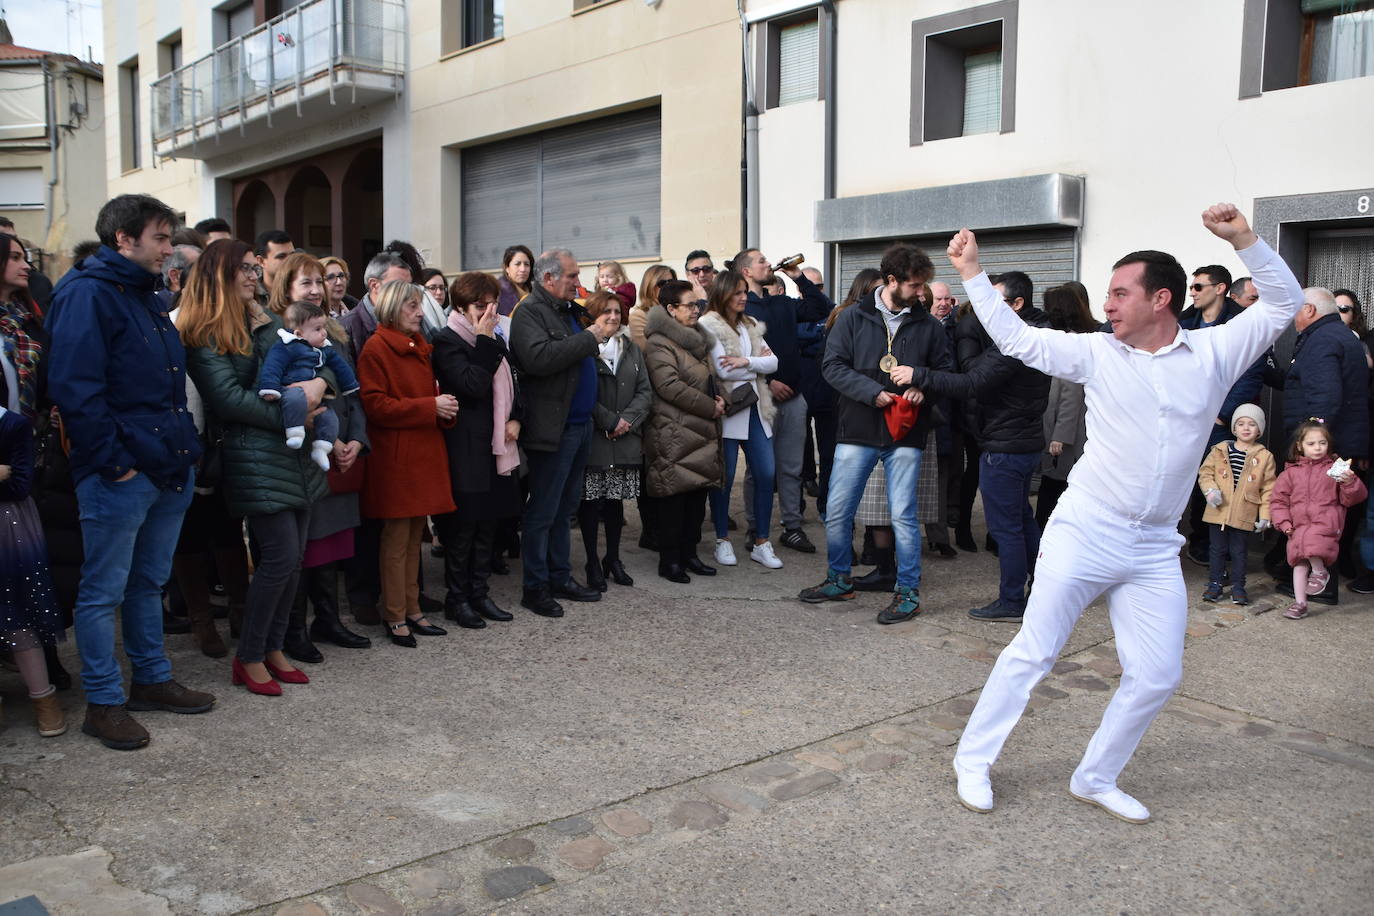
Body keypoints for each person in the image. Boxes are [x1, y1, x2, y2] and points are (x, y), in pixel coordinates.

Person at [948, 202, 1303, 825]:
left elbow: (1281, 303)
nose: (1107, 304)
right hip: (1086, 528)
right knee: (1035, 651)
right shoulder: (1098, 354)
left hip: (1153, 548)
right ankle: (973, 761)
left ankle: (1094, 776)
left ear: (1161, 299)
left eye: (1119, 293)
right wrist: (973, 272)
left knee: (1158, 674)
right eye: (1107, 293)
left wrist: (1244, 239)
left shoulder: (1216, 351)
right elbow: (1017, 338)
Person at [48, 194, 215, 748]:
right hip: (121, 474)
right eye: (162, 237)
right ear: (124, 238)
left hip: (167, 466)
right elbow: (76, 390)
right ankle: (103, 702)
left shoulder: (146, 294)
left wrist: (182, 451)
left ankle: (151, 679)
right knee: (103, 592)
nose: (170, 248)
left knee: (148, 583)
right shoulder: (85, 294)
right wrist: (115, 464)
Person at [180, 239, 328, 696]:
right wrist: (294, 413)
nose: (252, 274)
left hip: (292, 449)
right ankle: (248, 656)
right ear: (218, 275)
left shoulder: (263, 318)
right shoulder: (204, 331)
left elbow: (303, 357)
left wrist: (320, 383)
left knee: (294, 557)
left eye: (252, 267)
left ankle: (273, 647)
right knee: (279, 555)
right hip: (253, 453)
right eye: (242, 268)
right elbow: (226, 399)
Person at [798, 244, 950, 622]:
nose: (921, 293)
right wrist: (872, 393)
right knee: (837, 512)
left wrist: (923, 386)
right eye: (915, 285)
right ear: (891, 280)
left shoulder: (929, 325)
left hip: (905, 434)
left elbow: (946, 372)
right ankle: (838, 579)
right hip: (858, 429)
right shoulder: (851, 318)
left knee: (903, 515)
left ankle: (907, 592)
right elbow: (831, 366)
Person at [909, 270, 1051, 621]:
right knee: (1021, 521)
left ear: (1017, 304)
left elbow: (973, 381)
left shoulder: (1017, 341)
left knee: (1007, 529)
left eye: (995, 304)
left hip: (1006, 447)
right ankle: (1043, 591)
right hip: (1017, 442)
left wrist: (918, 375)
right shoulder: (1030, 334)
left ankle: (1013, 601)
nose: (987, 312)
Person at [508, 249, 618, 617]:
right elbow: (538, 359)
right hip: (552, 427)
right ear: (549, 278)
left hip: (580, 425)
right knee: (543, 509)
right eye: (571, 275)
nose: (577, 281)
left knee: (565, 507)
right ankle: (535, 587)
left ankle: (559, 576)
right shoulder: (529, 312)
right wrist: (590, 337)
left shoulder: (568, 310)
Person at [357, 280, 457, 646]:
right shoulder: (377, 348)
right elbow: (376, 406)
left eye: (420, 306)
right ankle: (396, 614)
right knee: (397, 540)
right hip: (399, 459)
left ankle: (412, 609)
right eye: (411, 306)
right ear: (393, 308)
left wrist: (441, 409)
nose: (419, 313)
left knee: (415, 537)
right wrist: (431, 407)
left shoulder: (415, 347)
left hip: (420, 452)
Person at [432, 272, 523, 629]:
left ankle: (480, 593)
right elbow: (471, 385)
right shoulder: (447, 341)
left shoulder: (495, 338)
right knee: (463, 529)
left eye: (492, 304)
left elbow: (515, 381)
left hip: (497, 445)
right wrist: (485, 340)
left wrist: (518, 418)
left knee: (489, 526)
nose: (489, 312)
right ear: (459, 306)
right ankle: (458, 599)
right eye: (479, 305)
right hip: (465, 448)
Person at [731, 249, 833, 555]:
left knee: (791, 468)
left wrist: (798, 276)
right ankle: (754, 527)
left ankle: (792, 527)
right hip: (760, 399)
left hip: (795, 396)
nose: (768, 262)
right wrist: (767, 383)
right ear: (746, 272)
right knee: (759, 469)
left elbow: (821, 307)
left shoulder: (783, 303)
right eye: (760, 261)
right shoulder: (739, 307)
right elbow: (734, 355)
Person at [1179, 264, 1264, 566]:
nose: (1193, 291)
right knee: (1178, 476)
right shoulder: (1184, 322)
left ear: (1220, 288)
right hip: (1185, 416)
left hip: (1217, 421)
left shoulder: (1241, 325)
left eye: (1199, 286)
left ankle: (1204, 543)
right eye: (1192, 286)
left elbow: (1252, 372)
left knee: (1214, 482)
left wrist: (1222, 414)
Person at [698, 269, 783, 570]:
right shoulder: (708, 324)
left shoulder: (750, 325)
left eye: (745, 291)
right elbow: (723, 371)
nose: (744, 297)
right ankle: (722, 539)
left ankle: (762, 541)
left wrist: (747, 361)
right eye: (737, 292)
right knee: (724, 478)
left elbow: (773, 362)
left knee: (765, 473)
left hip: (756, 409)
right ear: (722, 294)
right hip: (728, 410)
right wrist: (756, 366)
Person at [643, 280, 725, 582]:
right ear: (671, 309)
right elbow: (668, 386)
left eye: (697, 304)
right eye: (689, 305)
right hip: (673, 432)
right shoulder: (659, 343)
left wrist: (720, 398)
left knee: (695, 500)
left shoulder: (696, 340)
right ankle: (670, 561)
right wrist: (709, 406)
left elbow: (707, 380)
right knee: (673, 502)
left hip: (701, 430)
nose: (696, 310)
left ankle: (690, 555)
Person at [0, 399, 66, 737]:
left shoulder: (12, 424)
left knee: (18, 616)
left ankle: (44, 699)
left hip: (8, 528)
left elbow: (19, 485)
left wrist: (8, 473)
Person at [578, 290, 652, 591]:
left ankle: (613, 559)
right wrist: (609, 421)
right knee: (591, 503)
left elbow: (645, 391)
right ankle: (592, 561)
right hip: (595, 438)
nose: (612, 316)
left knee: (615, 503)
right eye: (605, 311)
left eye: (616, 311)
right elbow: (581, 393)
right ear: (593, 315)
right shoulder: (584, 347)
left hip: (624, 439)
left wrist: (626, 422)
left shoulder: (630, 348)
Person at [1271, 420, 1366, 619]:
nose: (1317, 448)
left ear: (1328, 444)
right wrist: (1284, 523)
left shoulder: (1335, 470)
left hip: (1325, 522)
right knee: (1298, 564)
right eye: (1311, 444)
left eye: (1322, 443)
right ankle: (1300, 603)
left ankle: (1320, 572)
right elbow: (1278, 501)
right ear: (1300, 446)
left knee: (1313, 544)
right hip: (1297, 527)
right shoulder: (1290, 473)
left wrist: (1350, 482)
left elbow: (1353, 498)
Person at [256, 300, 360, 470]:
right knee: (295, 398)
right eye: (317, 330)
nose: (324, 333)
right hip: (290, 388)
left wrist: (350, 385)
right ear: (299, 333)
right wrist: (270, 387)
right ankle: (294, 432)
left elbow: (340, 367)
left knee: (329, 416)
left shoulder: (323, 349)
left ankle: (322, 447)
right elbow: (273, 367)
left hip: (317, 399)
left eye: (323, 327)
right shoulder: (286, 346)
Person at [1197, 404, 1276, 606]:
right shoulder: (1220, 450)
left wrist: (1265, 515)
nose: (1246, 428)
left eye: (1252, 424)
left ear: (1259, 430)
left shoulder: (1265, 456)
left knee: (1239, 551)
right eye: (1241, 423)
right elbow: (1205, 473)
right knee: (1216, 549)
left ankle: (1238, 587)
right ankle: (1214, 583)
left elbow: (1268, 488)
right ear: (1234, 428)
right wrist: (1210, 490)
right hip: (1218, 510)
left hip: (1244, 512)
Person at [1035, 284, 1097, 530]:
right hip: (1062, 428)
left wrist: (1060, 436)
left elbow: (1071, 395)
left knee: (1054, 486)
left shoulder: (1070, 342)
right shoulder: (1076, 337)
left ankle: (1045, 532)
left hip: (1066, 434)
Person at [341, 251, 412, 363]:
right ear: (374, 285)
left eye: (409, 286)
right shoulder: (347, 327)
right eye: (398, 286)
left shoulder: (411, 320)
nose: (407, 293)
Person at [628, 264, 677, 351]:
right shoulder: (638, 316)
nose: (668, 287)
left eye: (671, 282)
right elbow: (648, 351)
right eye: (662, 284)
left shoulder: (679, 311)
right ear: (649, 286)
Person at [496, 244, 534, 317]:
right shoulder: (499, 291)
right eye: (517, 264)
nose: (523, 269)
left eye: (526, 264)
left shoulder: (533, 291)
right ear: (507, 268)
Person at [254, 230, 295, 294]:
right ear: (261, 261)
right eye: (281, 256)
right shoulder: (251, 295)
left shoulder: (301, 292)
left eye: (292, 255)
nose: (290, 260)